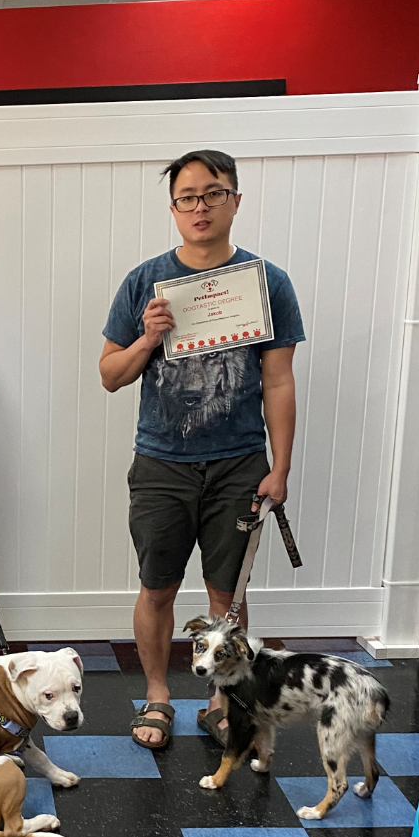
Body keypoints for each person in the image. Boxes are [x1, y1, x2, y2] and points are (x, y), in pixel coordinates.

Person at [99, 149, 304, 750]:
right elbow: (110, 374)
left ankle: (223, 701)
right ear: (174, 209)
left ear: (235, 200)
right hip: (162, 461)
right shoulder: (145, 281)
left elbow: (279, 380)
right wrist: (148, 336)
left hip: (240, 461)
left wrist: (280, 467)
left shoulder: (267, 283)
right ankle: (157, 696)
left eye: (213, 194)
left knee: (228, 598)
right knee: (157, 586)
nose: (200, 207)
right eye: (187, 197)